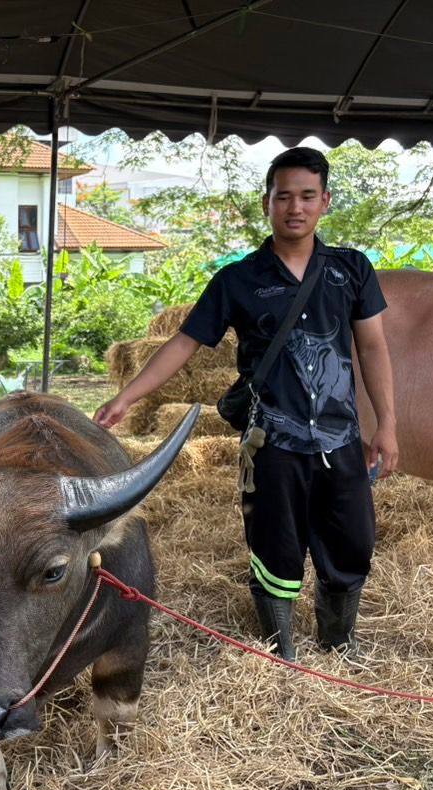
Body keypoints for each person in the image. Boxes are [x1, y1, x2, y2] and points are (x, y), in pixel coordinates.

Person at [95, 147, 398, 661]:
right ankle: (283, 655)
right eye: (284, 196)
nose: (295, 207)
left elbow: (372, 347)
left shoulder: (350, 270)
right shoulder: (237, 279)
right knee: (274, 546)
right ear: (267, 203)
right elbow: (184, 344)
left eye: (307, 196)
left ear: (325, 201)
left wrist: (387, 423)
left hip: (340, 439)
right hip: (271, 442)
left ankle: (338, 647)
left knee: (352, 545)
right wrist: (128, 396)